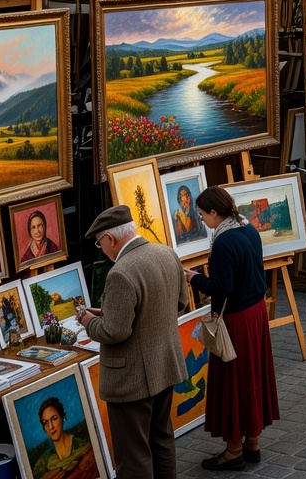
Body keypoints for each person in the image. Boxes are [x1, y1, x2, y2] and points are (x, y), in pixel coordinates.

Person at [77, 204, 189, 478]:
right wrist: (105, 312)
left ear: (111, 238)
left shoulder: (120, 273)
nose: (102, 249)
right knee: (161, 440)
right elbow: (179, 303)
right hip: (164, 365)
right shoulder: (166, 254)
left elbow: (115, 332)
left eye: (100, 243)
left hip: (131, 380)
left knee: (133, 454)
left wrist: (87, 321)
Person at [181, 187, 279, 468]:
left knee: (234, 381)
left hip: (236, 320)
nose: (202, 221)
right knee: (252, 377)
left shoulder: (223, 242)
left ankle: (233, 451)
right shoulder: (248, 228)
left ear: (215, 212)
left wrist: (193, 278)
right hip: (255, 312)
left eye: (202, 215)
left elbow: (222, 288)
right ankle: (252, 444)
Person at [34, 396, 99, 479]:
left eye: (54, 419)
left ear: (62, 418)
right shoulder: (43, 462)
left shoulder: (83, 447)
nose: (50, 427)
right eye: (46, 422)